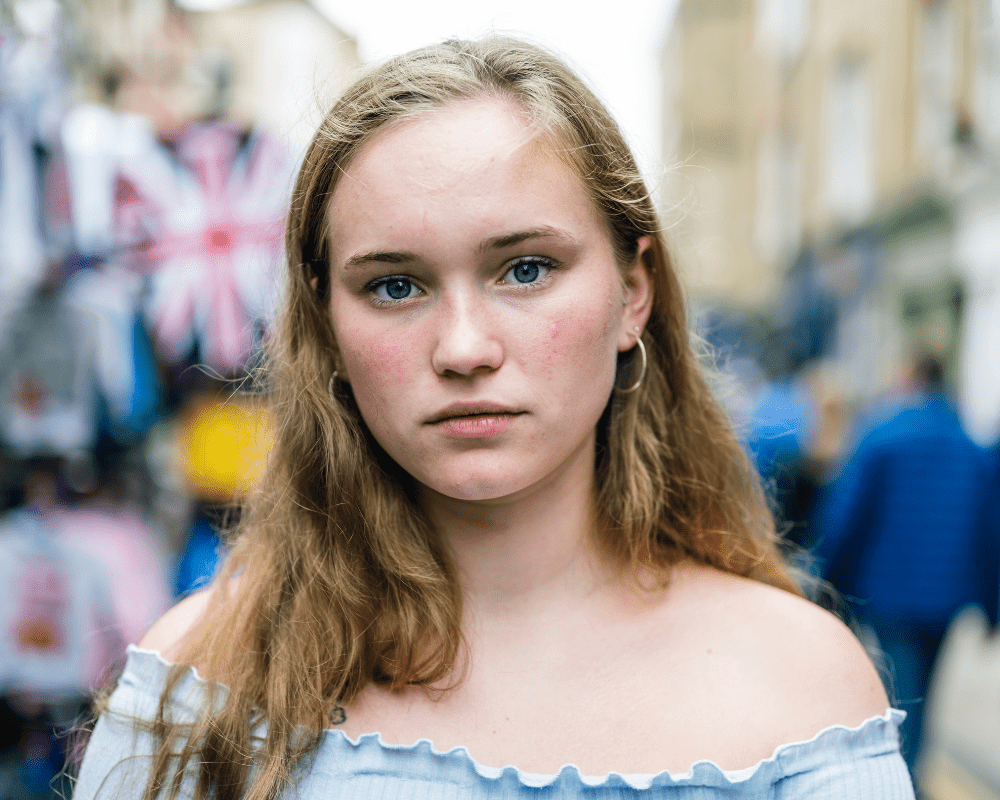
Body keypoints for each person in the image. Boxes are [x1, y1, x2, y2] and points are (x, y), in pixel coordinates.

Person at [73, 38, 914, 799]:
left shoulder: (801, 694)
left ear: (633, 292)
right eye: (395, 286)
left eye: (526, 269)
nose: (464, 348)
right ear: (326, 325)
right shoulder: (197, 688)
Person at [815, 354, 1000, 780]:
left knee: (901, 692)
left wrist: (827, 583)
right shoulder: (967, 444)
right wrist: (992, 606)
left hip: (887, 593)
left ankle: (901, 778)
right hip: (945, 597)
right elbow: (990, 531)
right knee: (925, 691)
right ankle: (910, 772)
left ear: (909, 378)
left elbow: (845, 516)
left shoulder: (882, 434)